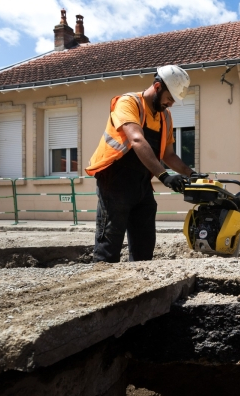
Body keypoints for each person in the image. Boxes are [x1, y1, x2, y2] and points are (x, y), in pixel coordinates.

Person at [85, 64, 202, 263]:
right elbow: (137, 140)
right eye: (169, 98)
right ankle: (101, 286)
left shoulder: (164, 116)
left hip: (141, 183)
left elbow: (168, 154)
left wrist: (191, 174)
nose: (171, 104)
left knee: (144, 243)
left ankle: (139, 282)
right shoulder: (129, 103)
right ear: (157, 87)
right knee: (109, 243)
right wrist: (164, 177)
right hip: (114, 180)